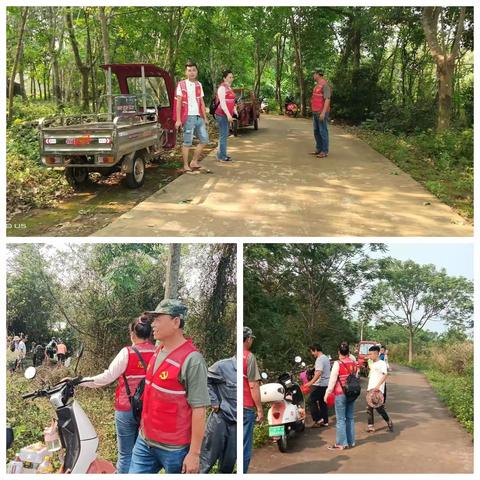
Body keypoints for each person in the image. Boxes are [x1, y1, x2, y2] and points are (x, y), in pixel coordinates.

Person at [128, 299, 210, 474]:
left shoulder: (192, 360)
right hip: (145, 441)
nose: (153, 324)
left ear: (176, 322)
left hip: (175, 450)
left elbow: (199, 409)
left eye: (158, 319)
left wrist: (194, 454)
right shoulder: (159, 350)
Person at [79, 315, 156, 473]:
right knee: (142, 454)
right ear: (150, 333)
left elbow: (106, 377)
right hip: (149, 410)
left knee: (126, 454)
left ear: (132, 334)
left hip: (126, 408)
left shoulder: (127, 353)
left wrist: (80, 381)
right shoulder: (158, 352)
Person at [199, 355, 237, 473]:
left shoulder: (246, 371)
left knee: (228, 463)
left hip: (237, 424)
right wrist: (214, 401)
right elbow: (205, 379)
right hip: (220, 419)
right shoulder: (222, 366)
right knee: (206, 460)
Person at [174, 61, 210, 173]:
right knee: (187, 142)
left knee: (204, 140)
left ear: (197, 72)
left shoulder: (199, 84)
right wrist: (178, 120)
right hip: (188, 117)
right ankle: (185, 165)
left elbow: (202, 101)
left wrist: (205, 117)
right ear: (186, 72)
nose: (192, 72)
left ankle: (194, 161)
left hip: (199, 117)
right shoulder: (181, 84)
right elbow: (178, 102)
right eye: (189, 70)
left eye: (194, 70)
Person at [324, 341, 358, 450]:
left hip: (340, 393)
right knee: (350, 418)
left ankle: (341, 443)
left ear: (339, 352)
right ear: (348, 352)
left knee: (340, 419)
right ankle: (351, 441)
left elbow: (332, 381)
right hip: (352, 393)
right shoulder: (353, 363)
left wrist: (327, 393)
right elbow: (356, 377)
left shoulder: (337, 364)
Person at [243, 326, 263, 473]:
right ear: (248, 339)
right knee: (244, 446)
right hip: (246, 407)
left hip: (231, 407)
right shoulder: (248, 357)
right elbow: (253, 386)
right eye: (251, 338)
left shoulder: (234, 357)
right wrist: (260, 409)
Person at [366, 345, 393, 433]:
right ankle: (371, 426)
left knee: (379, 409)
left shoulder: (382, 363)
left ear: (376, 354)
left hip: (377, 390)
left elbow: (385, 375)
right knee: (369, 408)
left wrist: (378, 386)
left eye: (370, 354)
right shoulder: (372, 363)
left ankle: (389, 422)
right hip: (370, 389)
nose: (369, 356)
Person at [304, 344, 331, 427]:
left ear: (315, 350)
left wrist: (310, 382)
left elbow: (318, 373)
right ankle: (325, 421)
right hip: (326, 384)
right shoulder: (326, 358)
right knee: (322, 402)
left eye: (312, 352)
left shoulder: (319, 359)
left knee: (311, 400)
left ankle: (318, 419)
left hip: (320, 384)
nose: (312, 354)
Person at [215, 70, 237, 162]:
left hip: (227, 115)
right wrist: (228, 115)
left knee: (224, 135)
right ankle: (222, 156)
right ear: (224, 78)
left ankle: (221, 153)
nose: (231, 79)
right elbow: (223, 104)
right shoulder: (222, 88)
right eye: (229, 77)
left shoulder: (229, 88)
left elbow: (232, 102)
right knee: (223, 135)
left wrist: (234, 111)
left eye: (232, 77)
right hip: (221, 114)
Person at [310, 69, 331, 158]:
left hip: (321, 112)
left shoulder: (325, 85)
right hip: (315, 111)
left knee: (323, 131)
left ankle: (324, 151)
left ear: (318, 74)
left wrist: (323, 113)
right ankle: (318, 149)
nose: (313, 75)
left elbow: (327, 99)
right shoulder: (317, 85)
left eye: (314, 74)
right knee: (316, 131)